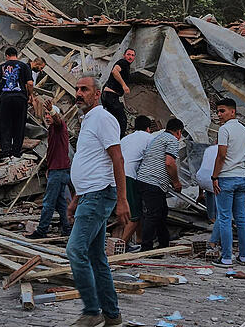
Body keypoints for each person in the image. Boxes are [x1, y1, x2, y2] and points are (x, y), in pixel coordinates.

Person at [66, 76, 129, 327]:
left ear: (97, 94)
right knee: (96, 257)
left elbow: (118, 159)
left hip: (99, 195)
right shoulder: (88, 121)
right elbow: (92, 163)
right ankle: (112, 315)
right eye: (77, 89)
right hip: (89, 195)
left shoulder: (103, 119)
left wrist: (122, 199)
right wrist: (75, 199)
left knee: (75, 250)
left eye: (84, 89)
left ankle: (92, 311)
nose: (79, 93)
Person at [210, 98, 245, 266]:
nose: (219, 114)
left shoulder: (224, 130)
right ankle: (244, 256)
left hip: (226, 178)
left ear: (232, 111)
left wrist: (214, 177)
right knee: (241, 219)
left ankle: (226, 257)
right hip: (241, 178)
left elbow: (221, 155)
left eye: (222, 111)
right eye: (218, 111)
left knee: (224, 218)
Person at [135, 117, 184, 251]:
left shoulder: (158, 138)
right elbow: (169, 163)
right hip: (153, 181)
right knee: (153, 215)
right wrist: (176, 182)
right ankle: (146, 248)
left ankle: (163, 244)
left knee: (162, 213)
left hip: (145, 179)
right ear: (178, 132)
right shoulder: (172, 140)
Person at [27, 105, 72, 238]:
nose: (47, 117)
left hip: (58, 171)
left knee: (48, 202)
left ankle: (41, 231)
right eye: (46, 114)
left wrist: (53, 112)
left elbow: (58, 120)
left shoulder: (59, 127)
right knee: (60, 203)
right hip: (57, 170)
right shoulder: (52, 130)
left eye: (49, 114)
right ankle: (66, 229)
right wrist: (49, 168)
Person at [118, 115, 156, 249]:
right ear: (148, 128)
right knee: (134, 216)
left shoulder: (125, 139)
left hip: (116, 175)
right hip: (129, 176)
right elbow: (152, 160)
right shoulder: (149, 138)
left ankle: (139, 240)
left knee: (134, 210)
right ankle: (121, 246)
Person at [0, 47, 34, 158]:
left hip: (5, 98)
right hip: (20, 98)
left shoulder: (1, 67)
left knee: (5, 124)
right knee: (19, 125)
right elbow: (30, 83)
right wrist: (30, 96)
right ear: (17, 55)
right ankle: (16, 152)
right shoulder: (24, 66)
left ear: (6, 56)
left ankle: (6, 151)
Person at [102, 48, 135, 136]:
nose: (130, 57)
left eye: (132, 55)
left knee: (112, 119)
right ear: (124, 55)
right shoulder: (123, 62)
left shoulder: (127, 66)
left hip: (109, 96)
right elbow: (115, 71)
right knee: (122, 120)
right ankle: (119, 141)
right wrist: (124, 85)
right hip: (110, 95)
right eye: (128, 54)